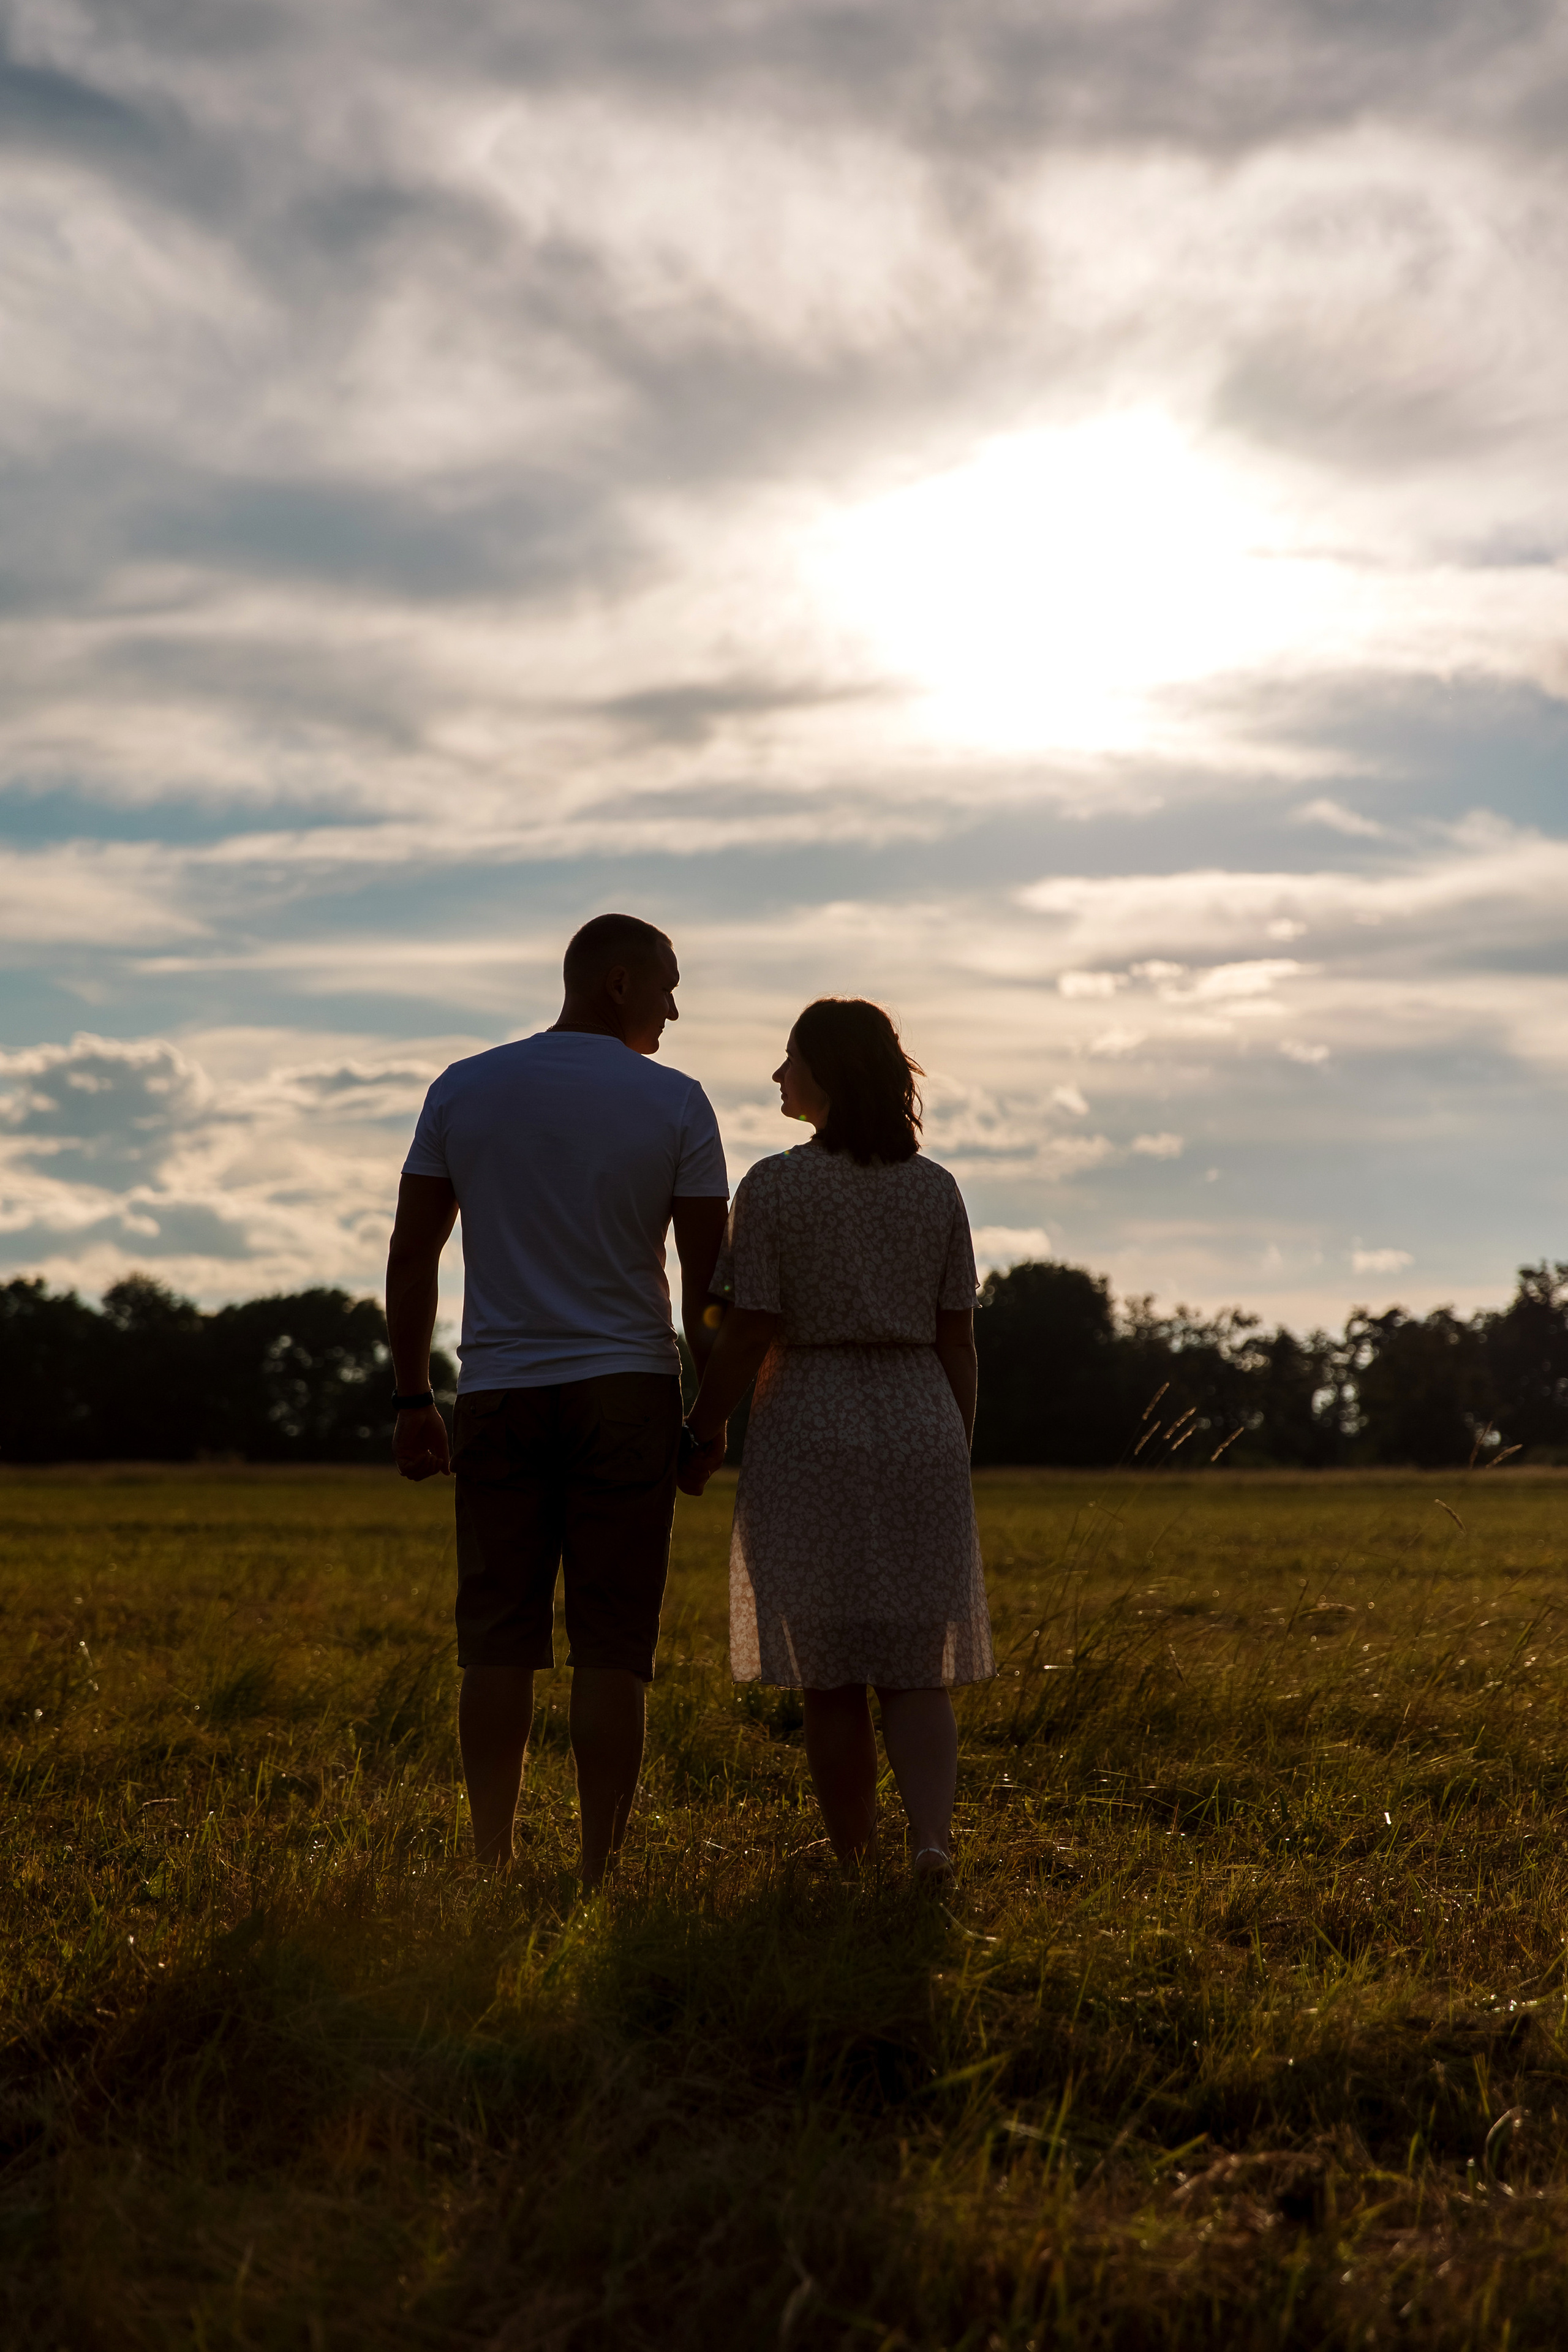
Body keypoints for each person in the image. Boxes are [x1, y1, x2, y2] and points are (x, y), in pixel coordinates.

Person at [385, 914, 729, 1890]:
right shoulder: (676, 1104)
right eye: (667, 983)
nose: (674, 1004)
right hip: (627, 1390)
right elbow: (710, 1290)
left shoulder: (466, 1086)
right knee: (613, 1646)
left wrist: (414, 1396)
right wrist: (710, 1420)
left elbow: (414, 1259)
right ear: (617, 982)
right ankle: (596, 1872)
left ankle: (491, 1863)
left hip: (497, 1388)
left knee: (497, 1640)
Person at [682, 998, 993, 1882]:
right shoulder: (935, 1189)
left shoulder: (776, 1185)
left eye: (790, 1059)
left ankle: (855, 1854)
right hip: (918, 1416)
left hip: (809, 1418)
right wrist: (952, 1448)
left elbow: (748, 1328)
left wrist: (704, 1425)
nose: (778, 1076)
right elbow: (958, 1339)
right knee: (914, 1664)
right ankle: (930, 1839)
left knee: (831, 1671)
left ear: (828, 1072)